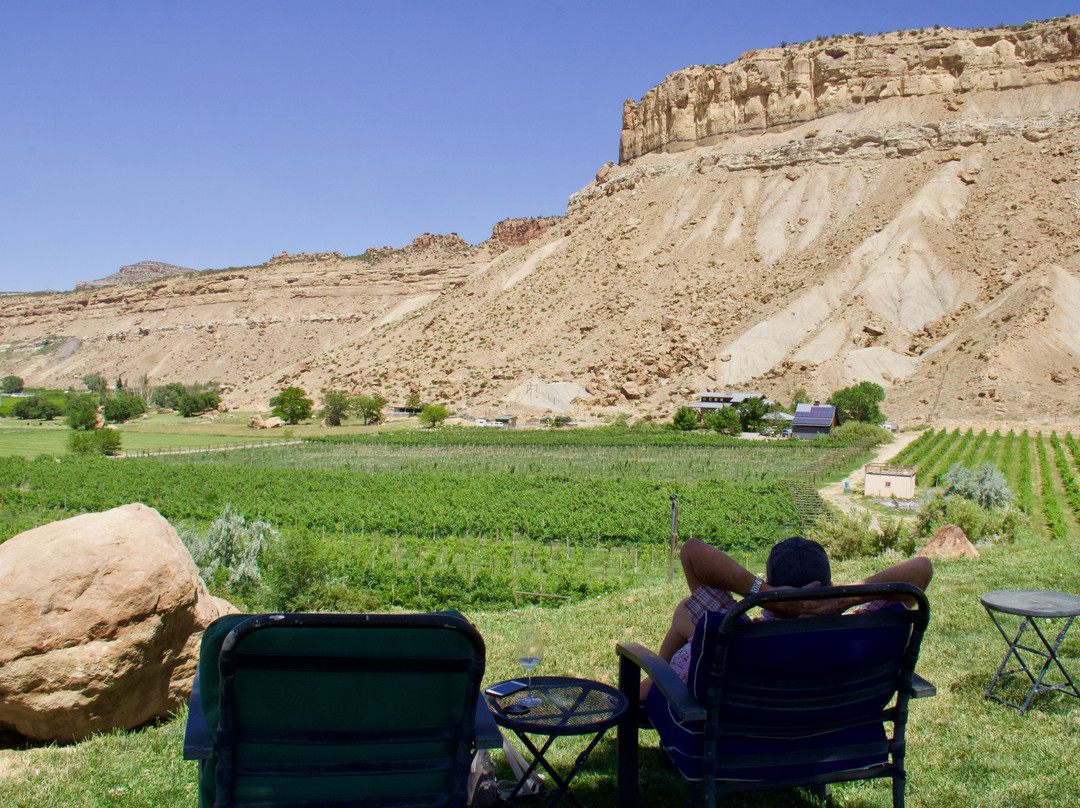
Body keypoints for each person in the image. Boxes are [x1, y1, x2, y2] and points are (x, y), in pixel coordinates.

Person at [647, 536, 933, 696]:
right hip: (837, 730)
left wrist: (765, 593)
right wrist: (843, 600)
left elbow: (692, 551)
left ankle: (639, 698)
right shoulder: (860, 632)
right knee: (684, 617)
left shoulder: (736, 635)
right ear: (830, 585)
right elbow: (922, 569)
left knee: (685, 617)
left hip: (746, 737)